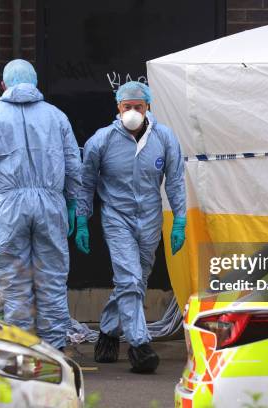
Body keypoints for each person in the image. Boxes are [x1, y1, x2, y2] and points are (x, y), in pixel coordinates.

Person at [0, 59, 81, 350]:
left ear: (3, 84)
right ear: (35, 82)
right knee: (52, 279)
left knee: (14, 281)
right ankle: (55, 352)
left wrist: (0, 181)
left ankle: (22, 351)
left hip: (9, 204)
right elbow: (73, 165)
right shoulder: (56, 116)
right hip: (51, 203)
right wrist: (72, 203)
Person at [75, 81, 186, 373]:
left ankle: (108, 334)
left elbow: (174, 181)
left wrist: (180, 219)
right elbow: (86, 184)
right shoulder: (102, 141)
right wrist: (82, 220)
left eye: (138, 106)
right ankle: (140, 345)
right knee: (129, 279)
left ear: (148, 106)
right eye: (127, 107)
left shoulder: (164, 138)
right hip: (117, 217)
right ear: (118, 108)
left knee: (137, 280)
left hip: (150, 217)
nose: (133, 112)